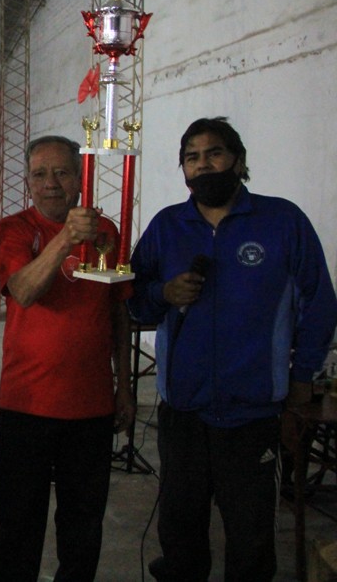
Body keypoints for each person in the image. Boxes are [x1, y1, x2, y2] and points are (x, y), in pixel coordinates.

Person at [129, 117, 337, 582]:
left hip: (253, 416)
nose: (204, 165)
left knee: (252, 537)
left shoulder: (283, 221)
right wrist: (165, 294)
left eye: (214, 153)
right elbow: (133, 301)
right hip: (183, 412)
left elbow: (319, 305)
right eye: (192, 157)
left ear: (238, 161)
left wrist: (301, 380)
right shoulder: (167, 227)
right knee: (180, 534)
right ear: (183, 170)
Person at [0, 135, 135, 582]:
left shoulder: (107, 231)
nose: (50, 183)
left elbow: (119, 316)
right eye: (39, 174)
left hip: (90, 407)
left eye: (62, 172)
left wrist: (124, 388)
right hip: (26, 405)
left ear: (80, 177)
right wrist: (68, 239)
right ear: (28, 181)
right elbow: (25, 291)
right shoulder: (13, 229)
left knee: (82, 526)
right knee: (17, 524)